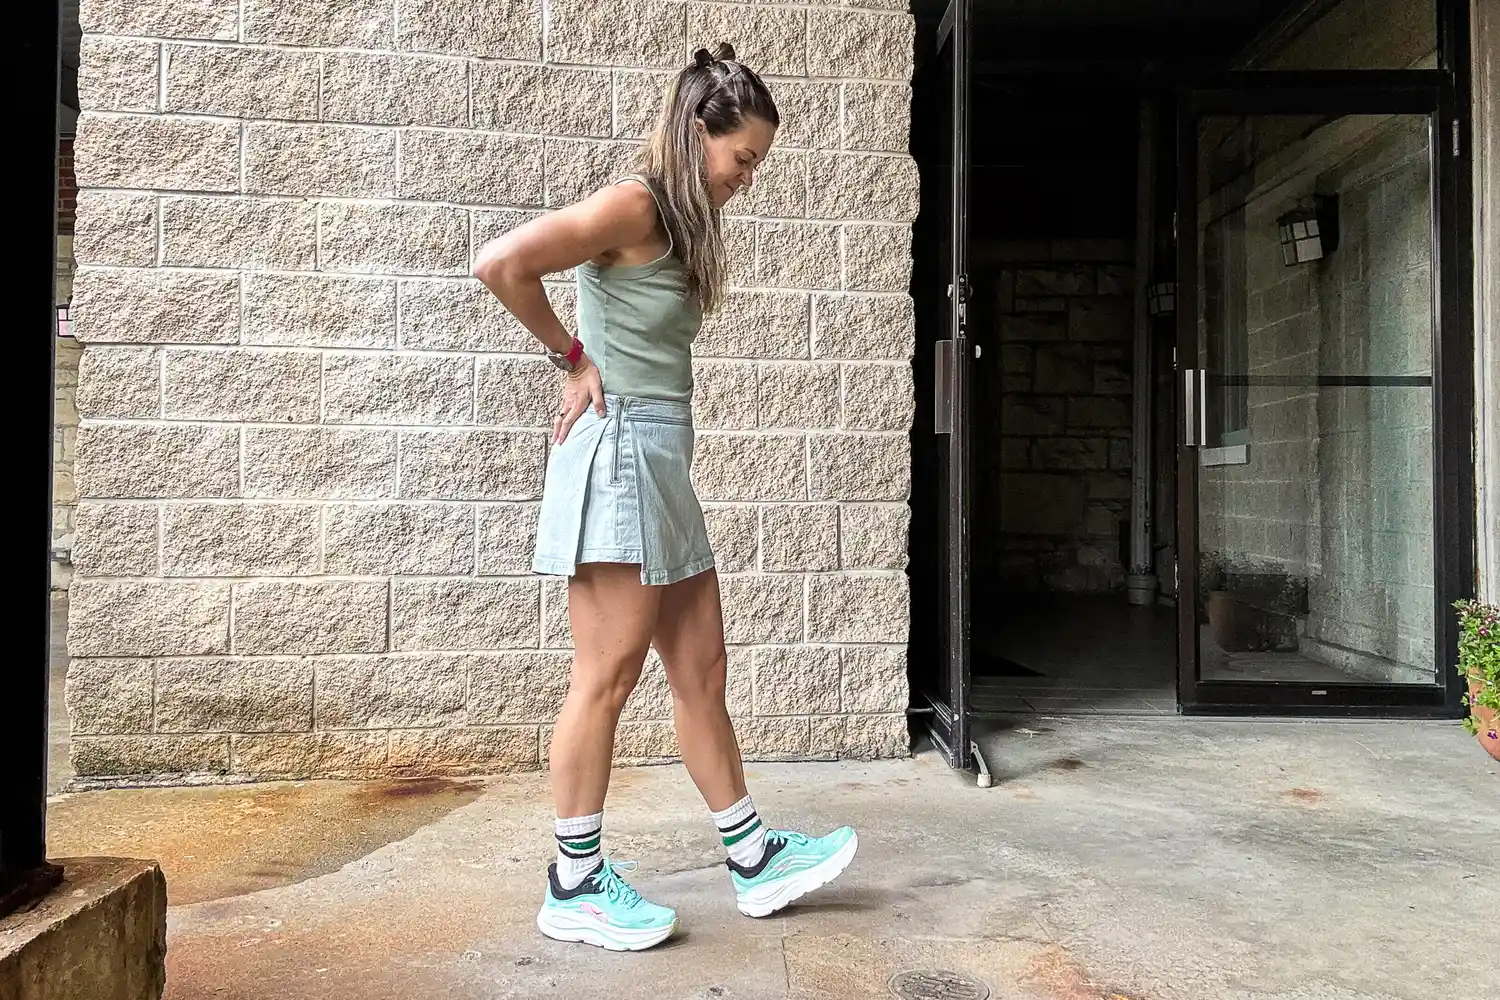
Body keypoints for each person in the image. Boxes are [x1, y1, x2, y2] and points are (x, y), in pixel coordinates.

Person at [472, 43, 858, 952]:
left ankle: (753, 856)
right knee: (604, 681)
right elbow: (502, 264)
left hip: (660, 464)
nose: (748, 177)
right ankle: (573, 883)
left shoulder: (677, 221)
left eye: (758, 162)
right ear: (699, 133)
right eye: (743, 158)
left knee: (702, 670)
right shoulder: (633, 203)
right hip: (621, 458)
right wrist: (572, 358)